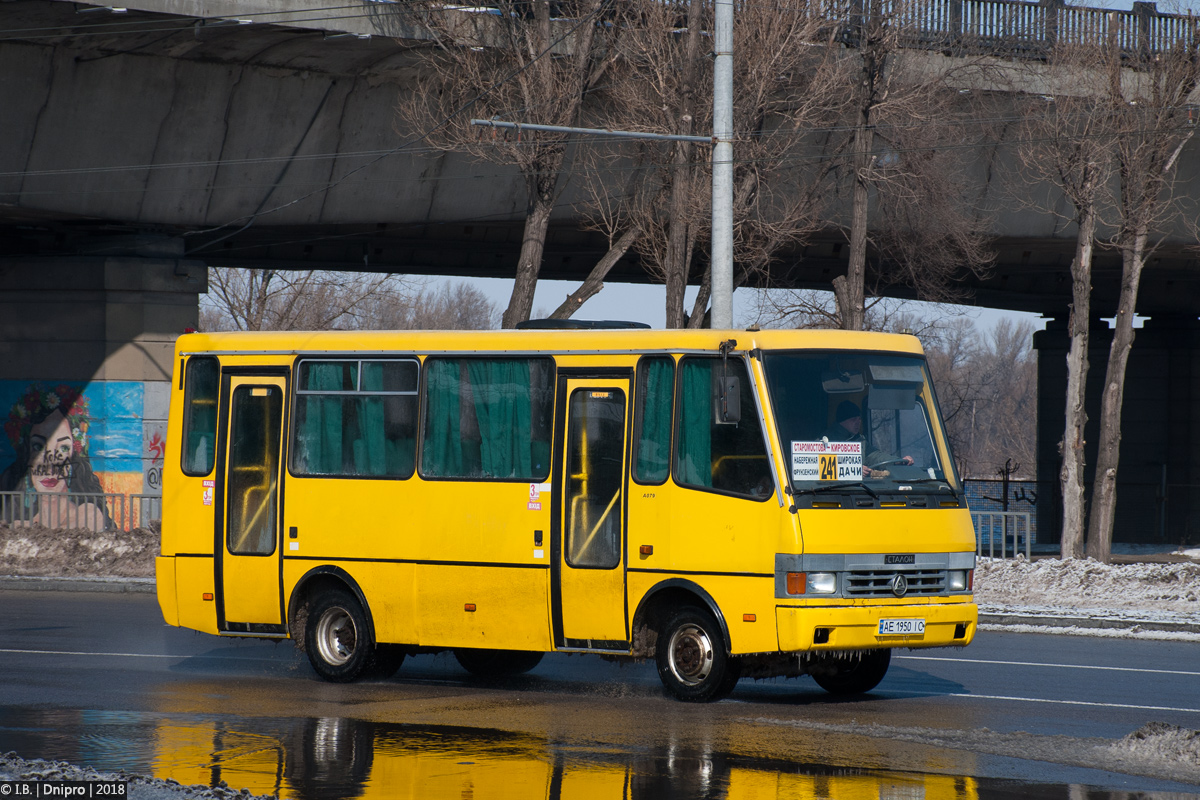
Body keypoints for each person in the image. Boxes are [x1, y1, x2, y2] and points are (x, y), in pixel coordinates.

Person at [822, 400, 913, 477]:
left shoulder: (860, 441)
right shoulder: (825, 441)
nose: (858, 422)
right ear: (842, 421)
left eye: (859, 419)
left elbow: (876, 456)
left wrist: (896, 461)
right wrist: (852, 470)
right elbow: (818, 467)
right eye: (853, 419)